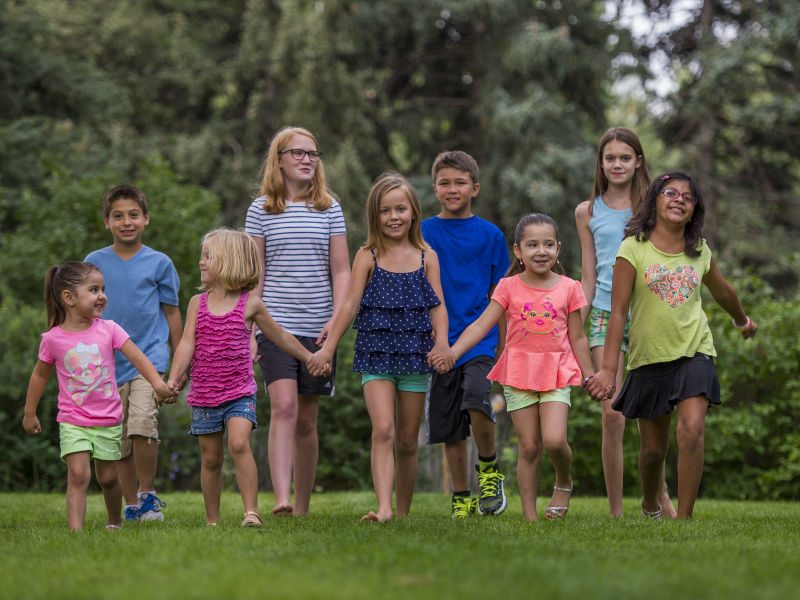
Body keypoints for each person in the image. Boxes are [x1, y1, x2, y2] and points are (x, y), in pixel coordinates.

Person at [587, 172, 758, 519]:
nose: (680, 199)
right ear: (655, 200)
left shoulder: (699, 252)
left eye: (688, 197)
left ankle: (684, 519)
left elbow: (723, 291)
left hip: (694, 352)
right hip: (648, 359)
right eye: (671, 192)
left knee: (692, 429)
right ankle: (651, 503)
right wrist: (607, 369)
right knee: (653, 451)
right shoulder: (632, 248)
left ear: (695, 210)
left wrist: (742, 320)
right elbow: (617, 312)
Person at [430, 213, 594, 522]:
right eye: (532, 245)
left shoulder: (570, 288)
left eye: (548, 244)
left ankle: (563, 480)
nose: (540, 251)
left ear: (558, 249)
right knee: (529, 446)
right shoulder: (508, 287)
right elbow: (480, 326)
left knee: (555, 439)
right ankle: (530, 518)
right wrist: (452, 353)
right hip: (519, 374)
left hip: (557, 372)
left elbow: (579, 337)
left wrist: (590, 375)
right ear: (518, 251)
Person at [308, 172, 450, 522]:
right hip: (376, 350)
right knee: (383, 429)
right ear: (376, 216)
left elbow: (438, 306)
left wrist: (443, 342)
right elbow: (349, 305)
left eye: (400, 209)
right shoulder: (367, 256)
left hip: (416, 353)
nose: (394, 217)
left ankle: (402, 512)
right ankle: (384, 509)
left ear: (413, 212)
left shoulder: (426, 257)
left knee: (406, 439)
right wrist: (328, 348)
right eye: (385, 211)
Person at [167, 228, 328, 527]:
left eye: (208, 256)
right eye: (203, 256)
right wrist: (174, 379)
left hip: (239, 391)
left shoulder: (250, 304)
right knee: (211, 458)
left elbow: (279, 335)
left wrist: (308, 357)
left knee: (239, 444)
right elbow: (186, 343)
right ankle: (212, 521)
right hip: (203, 393)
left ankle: (251, 512)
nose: (201, 262)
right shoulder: (196, 304)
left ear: (230, 262)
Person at [245, 126, 351, 516]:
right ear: (280, 160)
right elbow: (254, 275)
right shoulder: (261, 210)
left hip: (320, 329)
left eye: (313, 153)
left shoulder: (329, 208)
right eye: (298, 153)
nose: (307, 159)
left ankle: (303, 507)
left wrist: (336, 324)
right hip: (275, 325)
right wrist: (252, 330)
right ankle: (282, 499)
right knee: (284, 406)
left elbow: (341, 271)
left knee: (307, 418)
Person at [23, 262, 174, 530]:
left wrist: (158, 385)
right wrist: (30, 412)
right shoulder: (52, 339)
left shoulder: (109, 329)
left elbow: (138, 357)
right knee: (78, 474)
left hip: (108, 420)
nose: (102, 295)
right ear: (69, 298)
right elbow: (39, 376)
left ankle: (114, 521)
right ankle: (76, 533)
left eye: (103, 289)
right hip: (73, 419)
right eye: (93, 289)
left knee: (107, 478)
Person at [575, 127, 675, 518]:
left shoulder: (653, 206)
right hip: (602, 313)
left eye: (625, 157)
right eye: (610, 158)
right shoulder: (588, 211)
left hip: (648, 314)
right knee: (612, 412)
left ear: (638, 162)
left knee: (651, 416)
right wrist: (574, 326)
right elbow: (588, 275)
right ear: (601, 163)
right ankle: (616, 512)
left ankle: (660, 496)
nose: (617, 164)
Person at [84, 185, 182, 522]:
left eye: (133, 215)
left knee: (142, 423)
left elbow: (172, 314)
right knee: (119, 437)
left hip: (150, 359)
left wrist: (180, 365)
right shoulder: (93, 263)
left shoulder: (160, 263)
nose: (127, 222)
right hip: (106, 365)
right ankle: (131, 505)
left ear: (146, 219)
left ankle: (148, 494)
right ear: (107, 222)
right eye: (118, 216)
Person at [421, 151, 510, 518]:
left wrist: (506, 347)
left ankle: (488, 469)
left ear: (474, 188)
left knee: (475, 397)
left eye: (460, 182)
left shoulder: (491, 235)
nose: (452, 189)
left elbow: (502, 296)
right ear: (434, 188)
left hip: (479, 341)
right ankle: (461, 496)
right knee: (449, 423)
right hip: (437, 343)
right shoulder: (422, 231)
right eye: (445, 182)